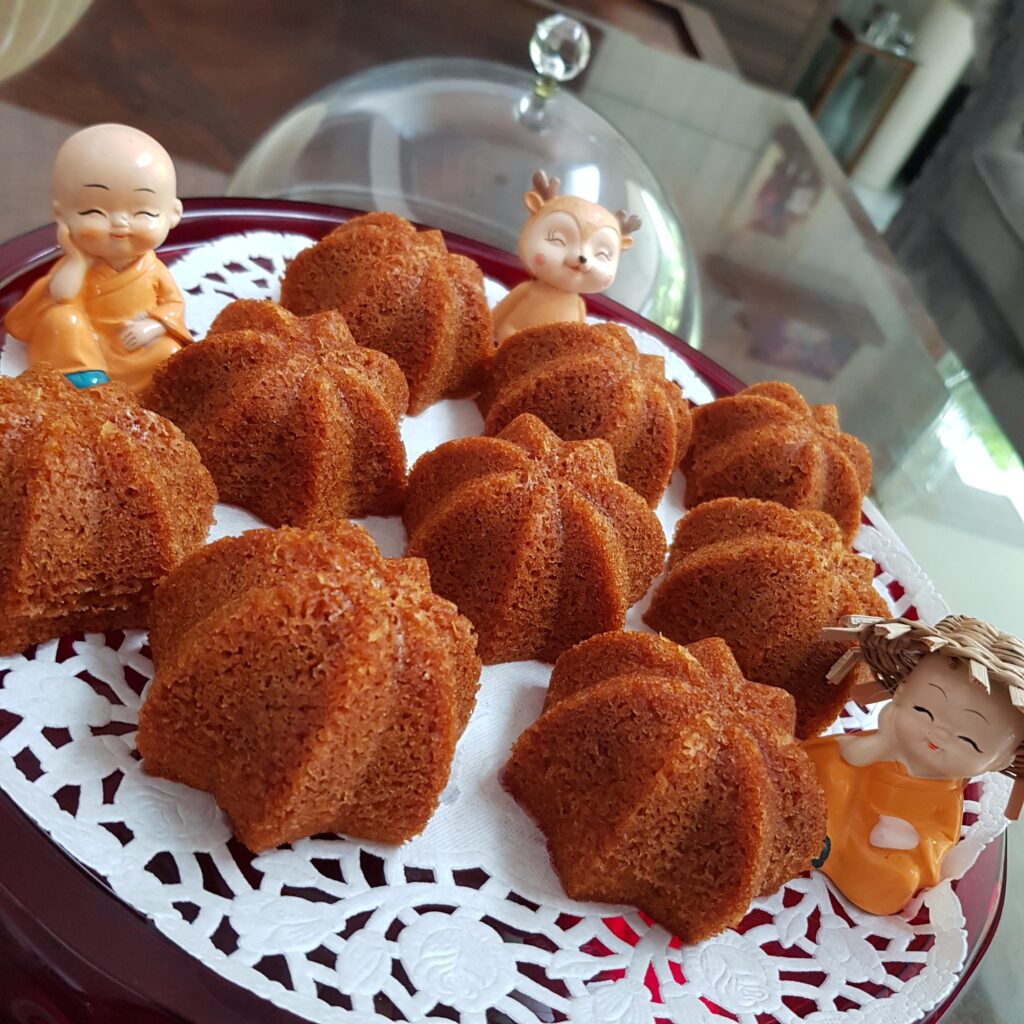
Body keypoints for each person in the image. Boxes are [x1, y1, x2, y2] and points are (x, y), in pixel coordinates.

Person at [804, 615, 1024, 915]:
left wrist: (911, 838)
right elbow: (846, 757)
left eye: (968, 741)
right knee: (826, 769)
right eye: (922, 710)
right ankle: (813, 835)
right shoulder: (888, 741)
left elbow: (939, 839)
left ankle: (832, 854)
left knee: (900, 879)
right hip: (845, 806)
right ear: (902, 692)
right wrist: (876, 744)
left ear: (999, 761)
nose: (938, 734)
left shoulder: (946, 796)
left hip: (877, 844)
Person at [5, 123, 189, 393]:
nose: (120, 223)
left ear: (173, 214)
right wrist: (76, 260)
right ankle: (84, 380)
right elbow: (63, 296)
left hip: (132, 346)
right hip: (83, 347)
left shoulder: (153, 269)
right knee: (61, 318)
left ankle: (149, 395)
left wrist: (151, 328)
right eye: (94, 212)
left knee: (169, 351)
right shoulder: (80, 264)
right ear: (62, 215)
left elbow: (173, 304)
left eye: (144, 213)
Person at [490, 170, 639, 343]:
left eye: (601, 254)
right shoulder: (526, 290)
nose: (582, 257)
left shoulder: (578, 306)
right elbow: (496, 316)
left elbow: (576, 338)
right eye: (558, 239)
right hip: (510, 341)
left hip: (552, 354)